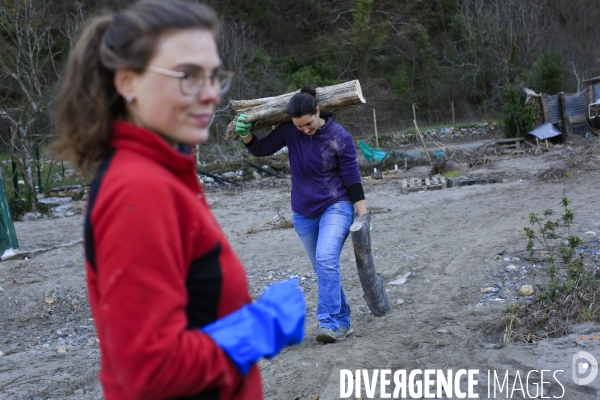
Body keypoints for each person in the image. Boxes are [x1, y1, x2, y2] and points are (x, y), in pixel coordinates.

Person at [55, 1, 305, 399]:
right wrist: (260, 326)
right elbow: (150, 369)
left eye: (213, 77)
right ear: (128, 82)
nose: (209, 95)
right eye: (187, 76)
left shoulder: (161, 173)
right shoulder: (139, 189)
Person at [236, 87, 367, 344]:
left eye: (308, 124)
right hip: (303, 213)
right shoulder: (289, 131)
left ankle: (328, 323)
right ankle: (343, 322)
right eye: (299, 127)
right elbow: (262, 149)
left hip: (336, 205)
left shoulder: (340, 136)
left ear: (317, 111)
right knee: (323, 267)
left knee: (327, 257)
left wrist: (363, 215)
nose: (305, 130)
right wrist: (246, 136)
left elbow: (352, 177)